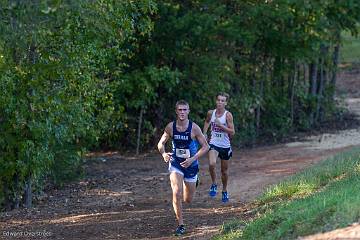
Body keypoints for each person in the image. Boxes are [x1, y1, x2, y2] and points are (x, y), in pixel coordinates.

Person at [157, 100, 209, 236]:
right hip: (176, 163)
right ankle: (181, 224)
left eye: (185, 110)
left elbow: (206, 147)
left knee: (188, 199)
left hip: (191, 165)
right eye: (180, 110)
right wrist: (163, 153)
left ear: (188, 111)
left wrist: (192, 159)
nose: (182, 112)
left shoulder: (194, 128)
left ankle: (194, 180)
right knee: (177, 193)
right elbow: (161, 143)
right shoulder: (170, 127)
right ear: (176, 111)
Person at [203, 92, 235, 203]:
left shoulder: (228, 115)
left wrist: (221, 125)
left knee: (224, 172)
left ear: (226, 103)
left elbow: (232, 132)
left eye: (222, 101)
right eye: (218, 100)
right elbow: (207, 122)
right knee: (212, 164)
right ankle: (214, 184)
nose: (220, 102)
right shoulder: (210, 113)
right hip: (214, 143)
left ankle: (224, 190)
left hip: (225, 146)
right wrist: (204, 133)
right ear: (216, 101)